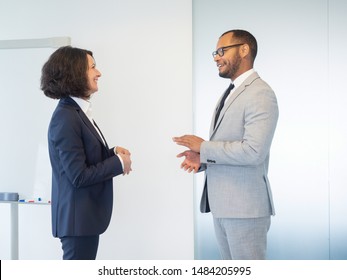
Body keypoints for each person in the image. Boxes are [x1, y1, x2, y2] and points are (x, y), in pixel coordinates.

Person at [173, 29, 278, 260]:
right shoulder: (231, 92)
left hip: (245, 209)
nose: (216, 57)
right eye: (215, 52)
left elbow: (253, 151)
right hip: (224, 208)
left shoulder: (260, 93)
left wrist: (205, 147)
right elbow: (230, 147)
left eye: (222, 51)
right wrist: (202, 159)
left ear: (244, 50)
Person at [41, 46, 132, 260]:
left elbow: (82, 160)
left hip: (82, 222)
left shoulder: (75, 112)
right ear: (75, 73)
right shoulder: (66, 117)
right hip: (77, 223)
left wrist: (112, 153)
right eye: (92, 67)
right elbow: (78, 175)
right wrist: (118, 163)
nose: (98, 73)